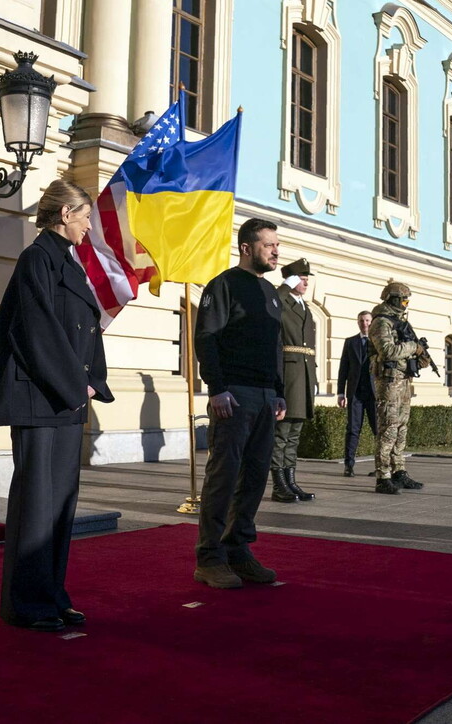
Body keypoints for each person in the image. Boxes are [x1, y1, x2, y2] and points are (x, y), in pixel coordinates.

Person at [0, 179, 114, 632]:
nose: (89, 225)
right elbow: (36, 330)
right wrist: (77, 383)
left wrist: (92, 379)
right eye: (85, 216)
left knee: (60, 504)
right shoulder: (36, 259)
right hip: (41, 398)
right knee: (36, 505)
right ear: (64, 214)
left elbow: (87, 329)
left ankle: (52, 595)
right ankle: (27, 604)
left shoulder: (70, 265)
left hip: (67, 399)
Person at [192, 218, 288, 589]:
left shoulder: (272, 294)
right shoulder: (223, 286)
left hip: (265, 398)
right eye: (269, 245)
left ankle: (239, 551)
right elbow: (207, 339)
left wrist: (278, 389)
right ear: (247, 248)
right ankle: (210, 558)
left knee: (254, 479)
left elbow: (274, 347)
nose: (276, 251)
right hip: (233, 396)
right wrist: (216, 388)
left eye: (277, 245)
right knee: (223, 477)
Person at [368, 282, 430, 494]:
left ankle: (399, 471)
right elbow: (387, 351)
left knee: (402, 428)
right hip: (389, 382)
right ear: (393, 299)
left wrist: (420, 356)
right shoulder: (381, 322)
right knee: (388, 428)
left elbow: (407, 348)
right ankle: (383, 476)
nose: (405, 304)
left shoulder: (401, 322)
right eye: (403, 300)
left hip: (403, 380)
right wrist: (413, 348)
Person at [270, 258, 317, 503]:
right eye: (301, 278)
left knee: (294, 434)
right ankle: (279, 486)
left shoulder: (304, 306)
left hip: (304, 377)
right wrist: (284, 287)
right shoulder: (283, 300)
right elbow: (271, 303)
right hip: (288, 376)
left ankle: (290, 482)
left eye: (307, 278)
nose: (305, 282)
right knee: (282, 433)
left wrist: (314, 379)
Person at [336, 311, 377, 477]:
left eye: (367, 320)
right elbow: (343, 369)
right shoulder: (350, 342)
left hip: (375, 395)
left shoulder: (378, 343)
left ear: (372, 322)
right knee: (352, 430)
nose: (365, 323)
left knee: (378, 431)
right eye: (362, 320)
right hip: (355, 394)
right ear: (358, 322)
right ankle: (349, 465)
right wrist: (340, 392)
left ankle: (381, 467)